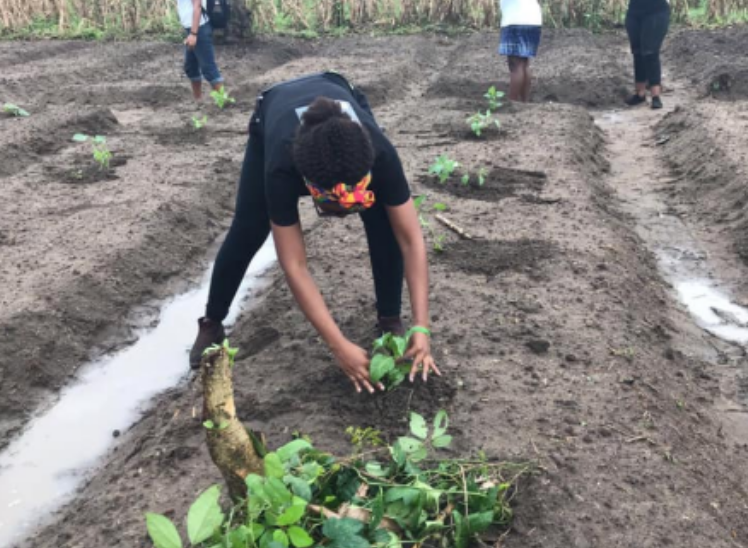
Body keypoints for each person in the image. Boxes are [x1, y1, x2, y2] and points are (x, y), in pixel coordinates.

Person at [189, 72, 440, 394]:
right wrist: (338, 345)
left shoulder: (378, 152)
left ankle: (390, 320)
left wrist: (422, 326)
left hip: (337, 89)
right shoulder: (281, 167)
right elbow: (294, 264)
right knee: (249, 228)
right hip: (273, 112)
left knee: (384, 225)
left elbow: (410, 239)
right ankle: (212, 322)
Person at [624, 0, 671, 109]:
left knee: (650, 52)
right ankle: (640, 94)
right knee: (637, 52)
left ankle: (655, 96)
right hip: (634, 11)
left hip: (656, 11)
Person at [177, 0, 224, 101]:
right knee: (191, 67)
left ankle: (223, 101)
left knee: (209, 68)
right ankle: (198, 100)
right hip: (191, 29)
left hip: (199, 29)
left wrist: (194, 34)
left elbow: (197, 6)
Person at [499, 0, 543, 102]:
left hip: (515, 19)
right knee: (524, 63)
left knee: (515, 65)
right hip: (533, 18)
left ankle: (512, 102)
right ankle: (524, 102)